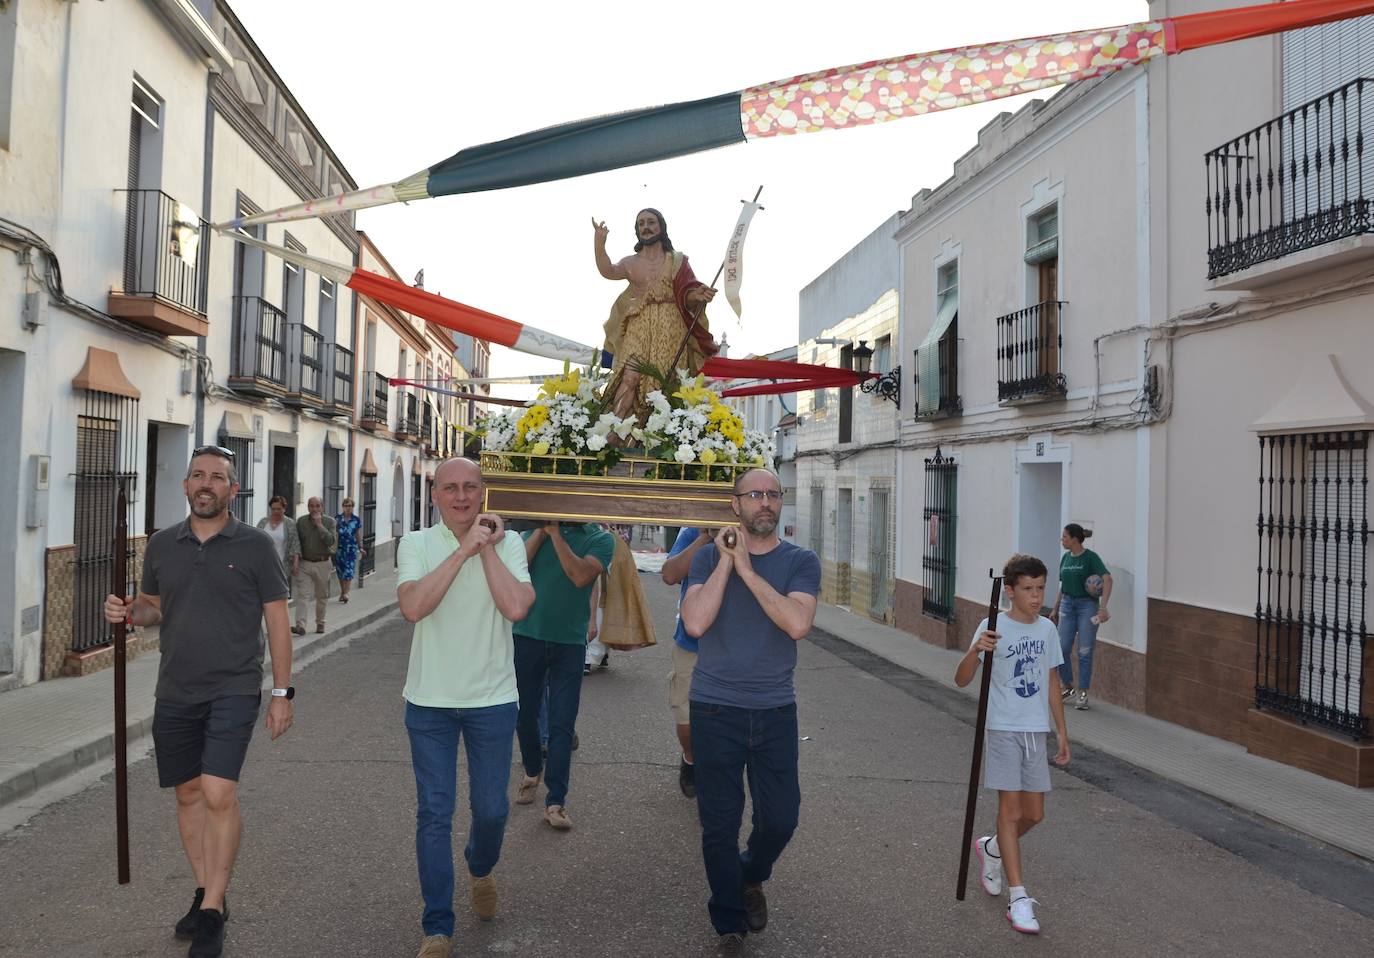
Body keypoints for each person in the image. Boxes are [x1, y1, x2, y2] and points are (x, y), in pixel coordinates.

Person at [103, 445, 293, 958]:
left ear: (233, 489)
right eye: (197, 475)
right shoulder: (163, 544)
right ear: (186, 486)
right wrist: (126, 611)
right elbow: (154, 610)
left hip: (233, 687)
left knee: (216, 792)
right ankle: (210, 890)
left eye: (218, 477)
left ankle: (210, 912)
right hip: (175, 689)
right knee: (187, 794)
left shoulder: (255, 546)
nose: (206, 483)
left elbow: (276, 619)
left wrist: (281, 692)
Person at [395, 458, 535, 958]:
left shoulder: (511, 543)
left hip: (493, 701)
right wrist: (463, 551)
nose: (460, 497)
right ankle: (437, 926)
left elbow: (516, 607)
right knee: (434, 812)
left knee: (492, 809)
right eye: (449, 488)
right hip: (429, 702)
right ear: (434, 495)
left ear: (483, 493)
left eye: (470, 488)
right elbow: (414, 607)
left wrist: (488, 549)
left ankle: (479, 866)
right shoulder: (416, 544)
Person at [680, 470, 820, 954]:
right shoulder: (704, 559)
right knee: (719, 822)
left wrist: (747, 571)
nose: (765, 503)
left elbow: (797, 623)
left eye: (773, 495)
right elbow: (696, 622)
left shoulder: (801, 561)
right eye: (755, 495)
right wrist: (725, 562)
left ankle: (751, 875)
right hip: (715, 709)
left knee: (781, 819)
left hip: (775, 709)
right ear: (734, 504)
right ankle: (729, 922)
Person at [955, 553, 1071, 936]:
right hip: (1003, 727)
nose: (1036, 597)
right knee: (1011, 809)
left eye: (1040, 588)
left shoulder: (1046, 631)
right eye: (1028, 589)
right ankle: (1019, 899)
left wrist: (1062, 732)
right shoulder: (993, 625)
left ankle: (991, 849)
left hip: (1035, 731)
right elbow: (961, 679)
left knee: (1035, 814)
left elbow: (1052, 682)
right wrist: (977, 650)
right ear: (1010, 591)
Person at [513, 521, 617, 830]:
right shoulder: (527, 534)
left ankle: (555, 801)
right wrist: (542, 533)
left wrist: (556, 535)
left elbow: (581, 576)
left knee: (561, 723)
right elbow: (516, 569)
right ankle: (533, 769)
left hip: (569, 641)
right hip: (526, 635)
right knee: (524, 715)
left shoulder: (600, 539)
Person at [593, 208, 720, 424]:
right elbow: (608, 271)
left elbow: (685, 294)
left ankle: (654, 435)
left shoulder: (677, 260)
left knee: (664, 381)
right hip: (638, 322)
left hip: (671, 325)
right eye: (640, 223)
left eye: (650, 222)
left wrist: (696, 295)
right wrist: (599, 243)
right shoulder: (630, 263)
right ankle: (613, 430)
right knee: (630, 375)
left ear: (661, 226)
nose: (646, 227)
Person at [660, 526, 714, 798]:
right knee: (685, 712)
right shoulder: (693, 532)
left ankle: (719, 770)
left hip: (732, 646)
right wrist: (705, 537)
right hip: (691, 641)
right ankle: (690, 758)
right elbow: (670, 574)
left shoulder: (749, 531)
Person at [1048, 523, 1112, 711]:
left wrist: (1103, 607)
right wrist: (1055, 608)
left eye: (1065, 537)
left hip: (1087, 606)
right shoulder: (1065, 558)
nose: (1062, 540)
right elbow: (1062, 586)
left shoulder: (1090, 558)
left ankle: (1083, 693)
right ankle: (1068, 687)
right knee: (1061, 648)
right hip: (1067, 604)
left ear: (1075, 539)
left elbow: (1107, 578)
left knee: (1084, 650)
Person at [292, 496, 336, 635]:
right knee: (302, 595)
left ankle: (320, 622)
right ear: (308, 507)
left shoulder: (330, 522)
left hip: (323, 562)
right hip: (305, 563)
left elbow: (331, 541)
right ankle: (300, 625)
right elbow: (297, 542)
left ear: (322, 507)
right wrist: (296, 560)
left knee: (321, 595)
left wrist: (319, 525)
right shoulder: (301, 522)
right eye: (311, 506)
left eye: (317, 506)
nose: (314, 509)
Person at [254, 495, 300, 580]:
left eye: (278, 509)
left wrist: (295, 563)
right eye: (273, 509)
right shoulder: (263, 522)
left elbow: (295, 544)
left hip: (282, 563)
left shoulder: (289, 524)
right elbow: (256, 540)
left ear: (284, 508)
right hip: (263, 563)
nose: (276, 511)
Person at [334, 496, 365, 603]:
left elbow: (357, 534)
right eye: (346, 506)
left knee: (349, 571)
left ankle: (346, 593)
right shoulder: (337, 519)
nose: (349, 508)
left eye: (351, 506)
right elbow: (334, 533)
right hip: (339, 549)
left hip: (351, 548)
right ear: (343, 507)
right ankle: (343, 592)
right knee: (340, 571)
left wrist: (360, 547)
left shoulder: (356, 520)